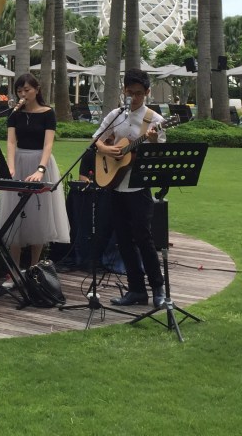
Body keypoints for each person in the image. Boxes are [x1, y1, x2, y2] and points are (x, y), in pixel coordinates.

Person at [92, 67, 167, 307]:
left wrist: (153, 141)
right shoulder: (116, 115)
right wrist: (107, 149)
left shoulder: (155, 120)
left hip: (138, 187)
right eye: (130, 92)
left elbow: (159, 155)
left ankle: (158, 288)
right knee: (123, 239)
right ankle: (136, 290)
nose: (133, 97)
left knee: (144, 238)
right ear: (124, 90)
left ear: (147, 92)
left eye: (138, 93)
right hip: (115, 184)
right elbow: (96, 139)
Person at [0, 73, 70, 283]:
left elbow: (48, 144)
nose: (23, 94)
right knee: (14, 216)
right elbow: (11, 142)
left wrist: (41, 168)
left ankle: (33, 269)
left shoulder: (48, 113)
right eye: (19, 91)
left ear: (37, 90)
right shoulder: (14, 113)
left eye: (27, 90)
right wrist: (11, 166)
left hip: (40, 162)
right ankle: (14, 271)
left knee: (39, 214)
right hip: (19, 161)